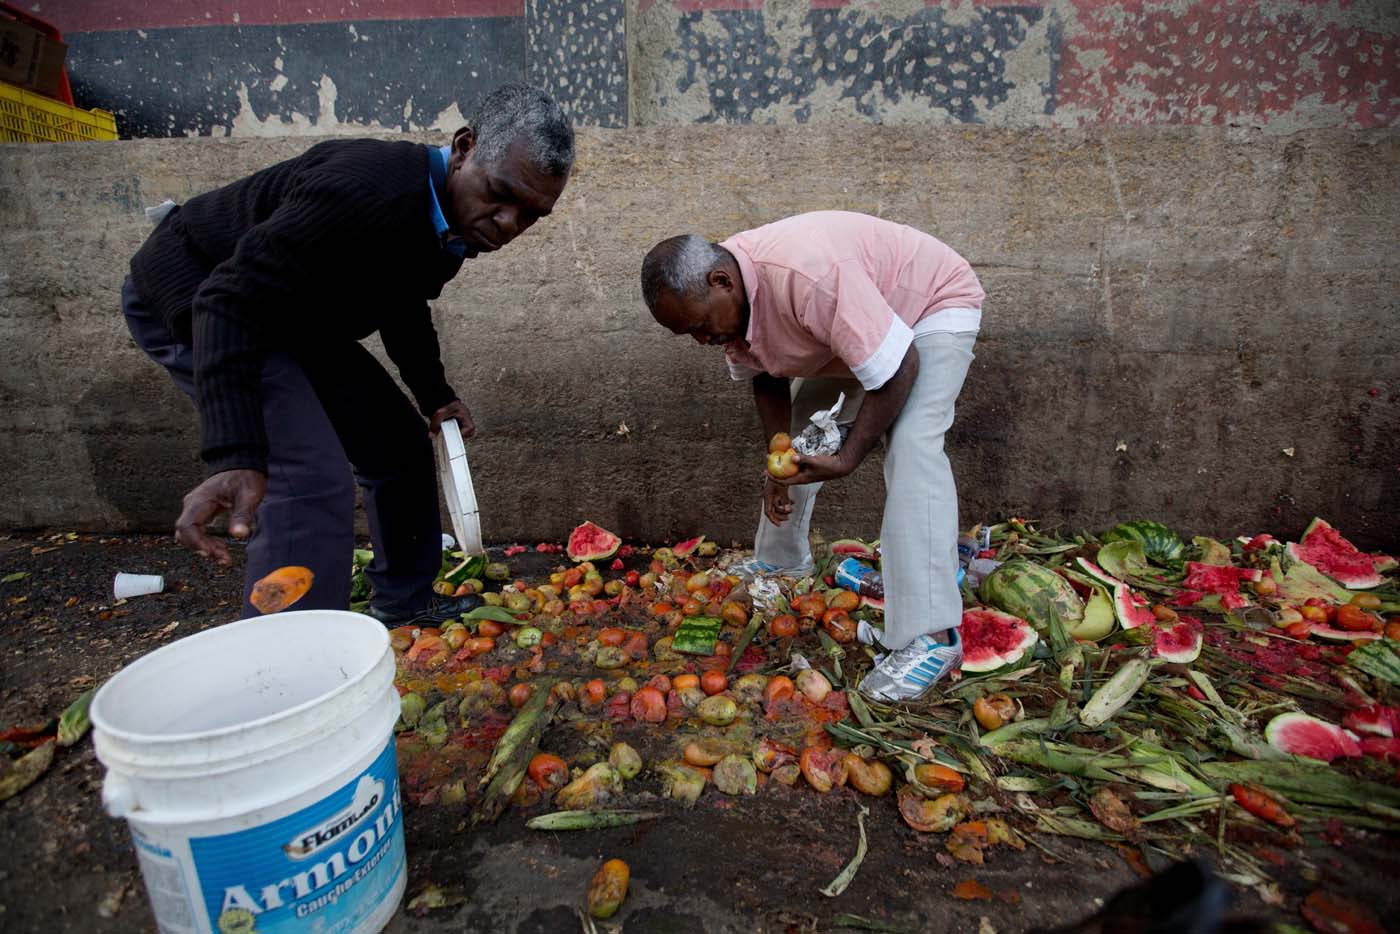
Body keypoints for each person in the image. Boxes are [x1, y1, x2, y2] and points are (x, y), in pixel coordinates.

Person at [123, 83, 573, 625]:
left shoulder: (453, 223)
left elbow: (402, 299)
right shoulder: (362, 190)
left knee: (398, 442)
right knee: (307, 476)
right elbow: (225, 300)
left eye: (531, 215)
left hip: (291, 315)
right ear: (464, 146)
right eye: (500, 194)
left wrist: (433, 394)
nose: (507, 224)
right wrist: (236, 452)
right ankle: (294, 662)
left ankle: (405, 601)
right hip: (201, 296)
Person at [640, 211, 983, 702]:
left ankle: (931, 635)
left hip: (928, 306)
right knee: (800, 436)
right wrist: (776, 463)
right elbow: (767, 374)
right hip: (855, 325)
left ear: (722, 282)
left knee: (911, 443)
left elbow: (900, 365)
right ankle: (782, 563)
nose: (702, 340)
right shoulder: (728, 297)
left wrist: (848, 458)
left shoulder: (809, 277)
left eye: (699, 326)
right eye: (687, 334)